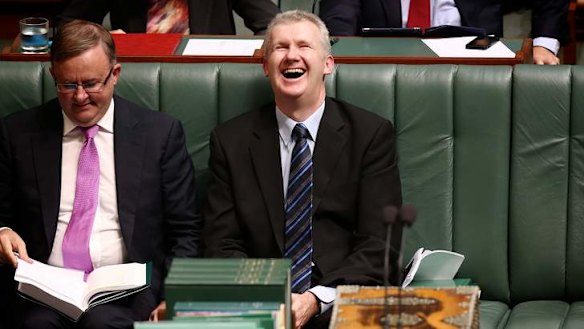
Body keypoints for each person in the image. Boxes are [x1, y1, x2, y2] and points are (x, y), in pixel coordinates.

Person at [203, 10, 402, 329]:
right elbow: (220, 244)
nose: (291, 55)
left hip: (338, 302)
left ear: (328, 64)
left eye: (304, 46)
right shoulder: (231, 141)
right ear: (265, 66)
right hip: (262, 304)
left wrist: (315, 299)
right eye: (280, 47)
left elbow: (379, 244)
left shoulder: (370, 134)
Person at [0, 20, 201, 328]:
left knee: (103, 324)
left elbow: (186, 231)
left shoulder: (159, 134)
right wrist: (2, 231)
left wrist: (173, 298)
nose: (80, 97)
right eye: (68, 85)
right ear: (53, 76)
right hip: (44, 288)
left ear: (115, 75)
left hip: (128, 288)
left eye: (91, 83)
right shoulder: (18, 133)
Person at [319, 0, 569, 65]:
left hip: (473, 61)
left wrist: (543, 44)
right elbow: (341, 12)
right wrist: (343, 55)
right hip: (387, 62)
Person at [58, 0, 281, 35]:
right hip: (131, 84)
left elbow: (275, 25)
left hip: (208, 82)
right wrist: (101, 39)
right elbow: (68, 24)